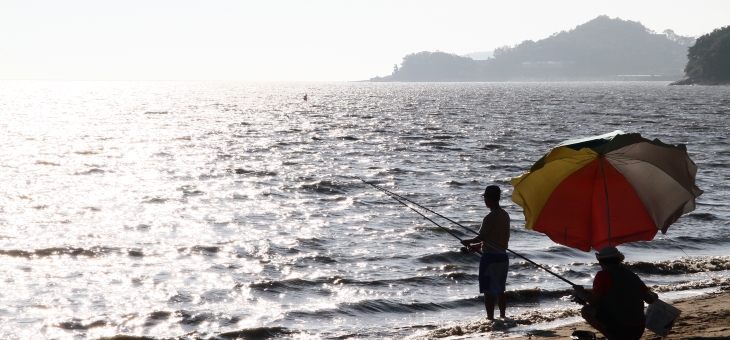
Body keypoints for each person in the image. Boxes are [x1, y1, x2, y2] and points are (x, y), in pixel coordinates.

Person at [573, 246, 659, 340]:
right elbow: (650, 299)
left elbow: (593, 302)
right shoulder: (632, 275)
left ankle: (610, 337)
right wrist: (654, 295)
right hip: (639, 329)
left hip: (622, 329)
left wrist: (580, 291)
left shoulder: (603, 275)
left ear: (600, 263)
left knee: (586, 310)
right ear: (619, 261)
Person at [461, 185, 511, 320]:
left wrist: (468, 242)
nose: (485, 201)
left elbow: (481, 237)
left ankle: (490, 319)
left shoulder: (490, 216)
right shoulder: (505, 214)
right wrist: (478, 246)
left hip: (490, 259)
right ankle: (503, 316)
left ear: (489, 199)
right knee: (500, 290)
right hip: (503, 257)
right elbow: (493, 238)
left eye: (485, 198)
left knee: (488, 292)